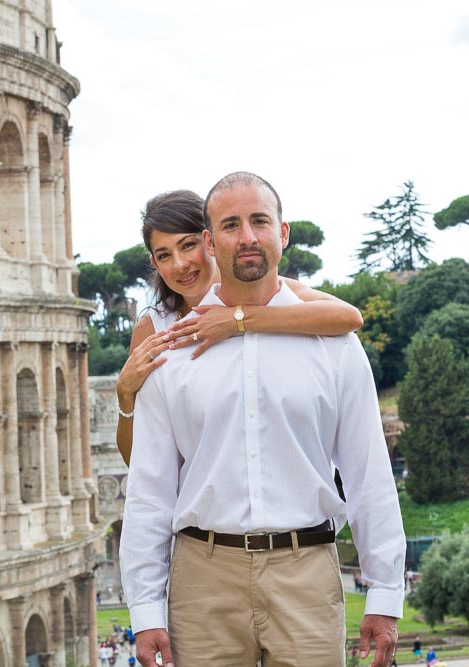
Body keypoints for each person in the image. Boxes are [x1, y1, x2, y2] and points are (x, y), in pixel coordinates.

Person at [120, 172, 406, 667]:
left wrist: (384, 593)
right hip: (202, 580)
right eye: (231, 225)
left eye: (259, 222)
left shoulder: (334, 342)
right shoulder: (169, 345)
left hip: (307, 574)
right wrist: (145, 609)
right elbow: (151, 486)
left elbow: (368, 472)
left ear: (283, 233)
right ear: (214, 241)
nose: (247, 237)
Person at [115, 189, 362, 465]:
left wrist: (237, 320)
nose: (180, 264)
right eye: (164, 255)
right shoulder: (152, 327)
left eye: (187, 245)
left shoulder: (272, 293)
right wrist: (125, 394)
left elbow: (349, 316)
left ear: (211, 241)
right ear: (154, 264)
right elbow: (137, 462)